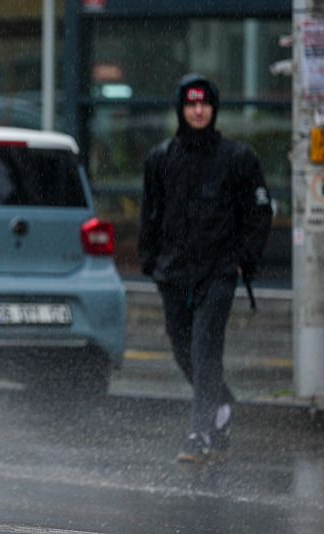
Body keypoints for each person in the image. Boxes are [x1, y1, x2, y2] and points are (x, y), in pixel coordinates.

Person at [138, 73, 272, 463]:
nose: (198, 111)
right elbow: (151, 213)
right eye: (191, 104)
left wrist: (244, 259)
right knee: (183, 349)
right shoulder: (161, 158)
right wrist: (151, 260)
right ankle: (222, 405)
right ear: (181, 109)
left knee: (205, 349)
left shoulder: (238, 158)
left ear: (214, 108)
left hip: (219, 271)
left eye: (205, 103)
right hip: (173, 273)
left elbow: (259, 212)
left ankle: (200, 433)